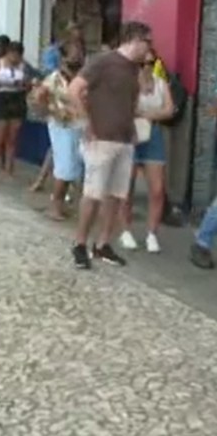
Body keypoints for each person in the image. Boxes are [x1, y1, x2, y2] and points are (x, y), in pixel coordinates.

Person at [66, 20, 153, 269]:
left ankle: (103, 243)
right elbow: (74, 89)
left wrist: (133, 127)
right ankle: (80, 243)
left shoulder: (134, 69)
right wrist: (87, 122)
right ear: (134, 39)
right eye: (147, 42)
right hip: (100, 139)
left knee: (116, 195)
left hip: (124, 140)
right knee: (93, 194)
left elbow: (131, 101)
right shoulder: (103, 62)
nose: (150, 47)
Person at [118, 48, 174, 253]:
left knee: (157, 189)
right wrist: (149, 111)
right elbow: (123, 108)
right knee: (127, 186)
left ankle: (152, 234)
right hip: (130, 133)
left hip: (153, 133)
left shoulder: (160, 84)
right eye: (141, 64)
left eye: (150, 63)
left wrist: (147, 113)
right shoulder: (128, 83)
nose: (145, 68)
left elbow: (169, 109)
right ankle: (125, 230)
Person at [31, 41, 86, 221]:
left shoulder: (83, 77)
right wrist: (51, 111)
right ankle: (55, 205)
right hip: (62, 126)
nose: (77, 57)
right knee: (65, 167)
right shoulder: (54, 79)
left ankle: (62, 204)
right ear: (63, 58)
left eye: (79, 54)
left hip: (80, 124)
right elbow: (38, 99)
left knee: (73, 166)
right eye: (73, 54)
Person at [0, 40, 29, 185]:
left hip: (17, 99)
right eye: (13, 55)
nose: (15, 59)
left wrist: (24, 84)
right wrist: (1, 83)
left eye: (18, 56)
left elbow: (28, 82)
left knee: (12, 138)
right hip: (1, 99)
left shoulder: (23, 66)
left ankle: (9, 170)